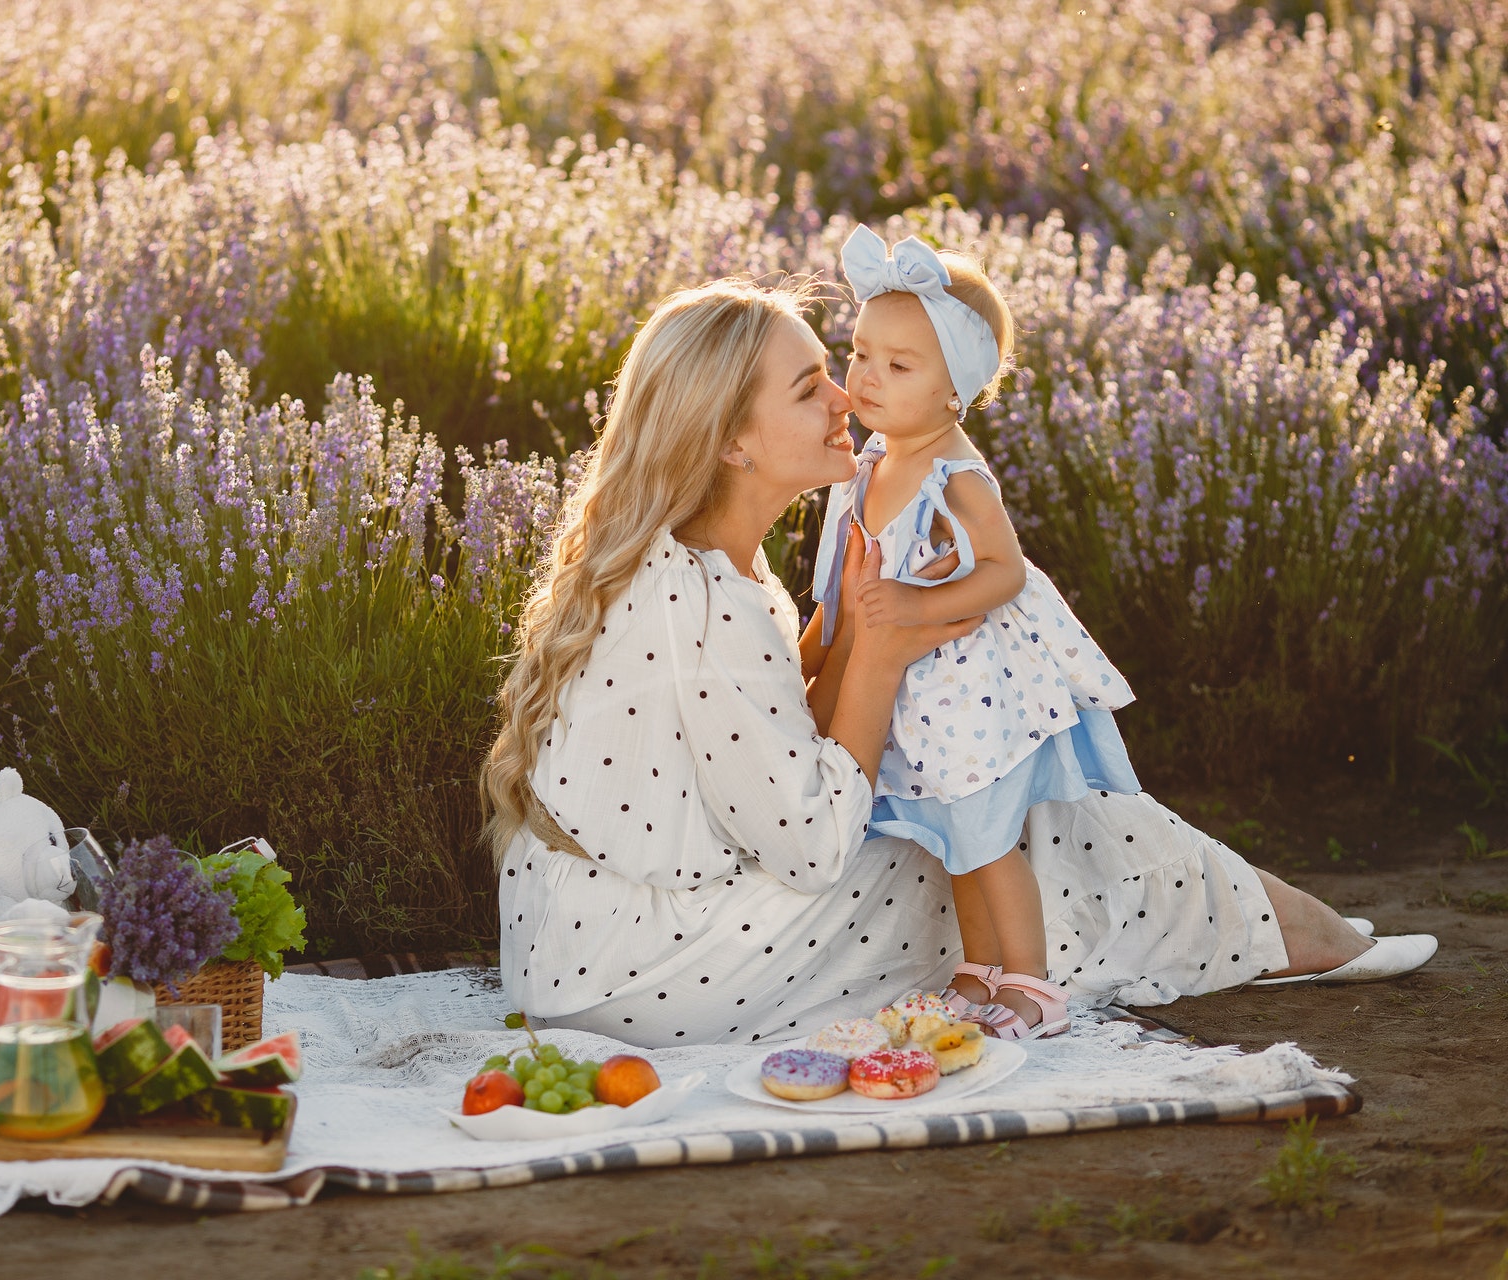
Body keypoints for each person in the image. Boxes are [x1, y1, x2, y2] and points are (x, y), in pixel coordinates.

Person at [481, 273, 1436, 1050]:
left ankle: (1263, 932)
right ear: (731, 439)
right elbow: (813, 842)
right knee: (1009, 815)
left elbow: (779, 748)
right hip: (643, 973)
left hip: (577, 945)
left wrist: (856, 635)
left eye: (837, 369)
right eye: (810, 386)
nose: (846, 396)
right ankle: (1281, 938)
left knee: (980, 802)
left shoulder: (705, 566)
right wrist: (884, 655)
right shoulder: (703, 603)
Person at [799, 226, 1139, 1040]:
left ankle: (1031, 986)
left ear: (957, 389)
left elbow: (1005, 572)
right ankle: (975, 974)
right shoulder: (875, 462)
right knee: (953, 843)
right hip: (916, 701)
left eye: (900, 365)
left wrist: (914, 609)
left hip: (972, 696)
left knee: (990, 844)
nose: (865, 377)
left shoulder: (956, 475)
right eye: (860, 354)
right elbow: (847, 578)